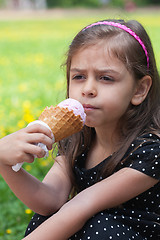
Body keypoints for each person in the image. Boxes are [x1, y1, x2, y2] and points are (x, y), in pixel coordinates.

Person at [0, 19, 160, 240]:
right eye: (79, 77)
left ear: (139, 89)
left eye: (106, 78)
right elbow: (50, 200)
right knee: (46, 218)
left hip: (126, 234)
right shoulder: (78, 138)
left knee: (98, 224)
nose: (88, 89)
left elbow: (81, 207)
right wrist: (5, 163)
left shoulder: (150, 150)